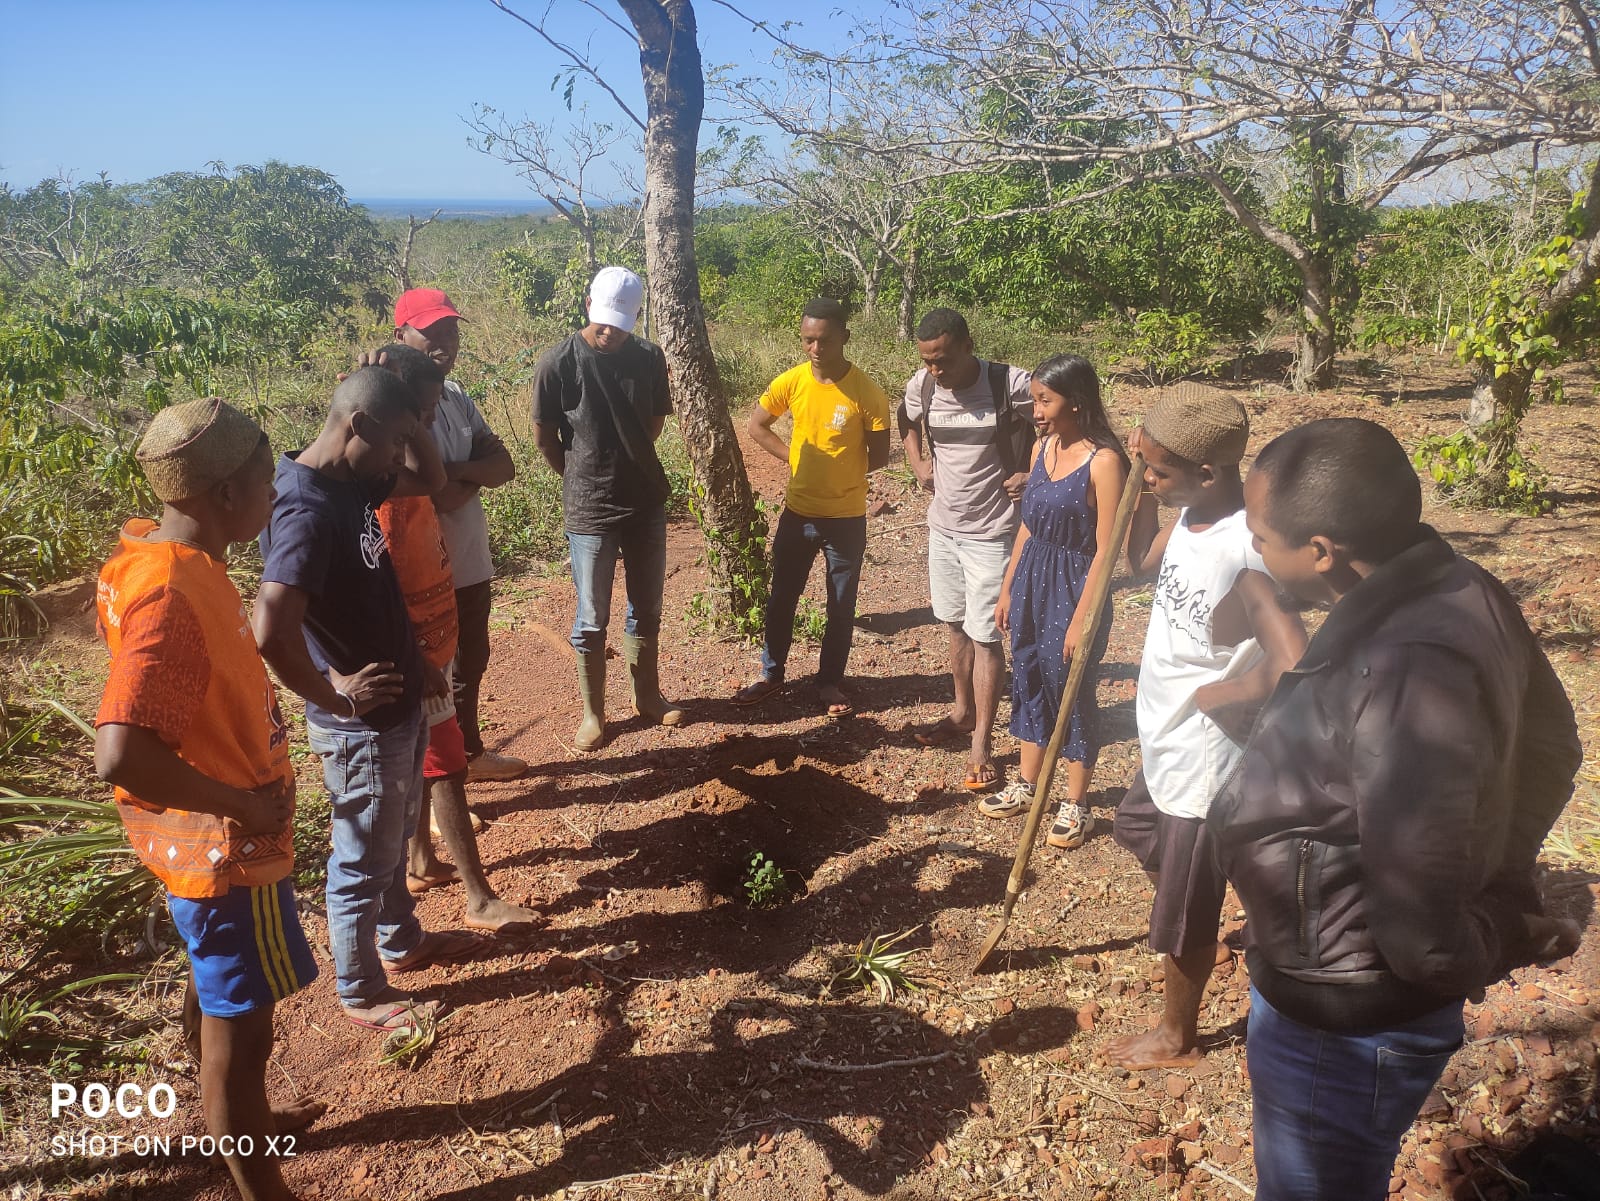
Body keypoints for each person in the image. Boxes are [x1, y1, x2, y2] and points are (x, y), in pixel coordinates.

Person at [1211, 417, 1581, 1201]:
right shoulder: (1460, 584)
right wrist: (1492, 864)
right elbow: (1553, 746)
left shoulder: (1402, 663)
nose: (1253, 552)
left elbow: (1421, 936)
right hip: (1336, 975)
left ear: (1321, 552)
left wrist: (1498, 917)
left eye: (1261, 536)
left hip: (1344, 1015)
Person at [94, 398, 321, 1201]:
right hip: (226, 854)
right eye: (267, 482)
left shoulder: (160, 561)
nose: (274, 496)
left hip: (203, 847)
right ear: (225, 495)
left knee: (219, 1005)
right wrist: (242, 805)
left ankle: (244, 1120)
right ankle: (258, 1171)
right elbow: (120, 751)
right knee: (245, 1033)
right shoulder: (171, 597)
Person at [255, 367, 478, 1032]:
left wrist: (413, 426)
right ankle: (360, 989)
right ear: (357, 427)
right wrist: (335, 695)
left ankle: (401, 940)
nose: (396, 463)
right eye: (391, 444)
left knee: (388, 835)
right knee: (361, 860)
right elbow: (270, 628)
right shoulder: (305, 508)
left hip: (399, 699)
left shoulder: (349, 477)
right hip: (359, 723)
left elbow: (431, 483)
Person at [1104, 389, 1306, 1069]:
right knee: (1134, 828)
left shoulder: (1247, 549)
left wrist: (1223, 693)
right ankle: (1230, 878)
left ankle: (1177, 1035)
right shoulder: (1187, 515)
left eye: (1160, 471)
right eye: (1147, 465)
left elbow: (1293, 660)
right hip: (1163, 732)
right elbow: (1136, 562)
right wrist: (1140, 488)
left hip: (1204, 749)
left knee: (1183, 910)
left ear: (1211, 473)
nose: (1150, 477)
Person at [374, 345, 544, 933]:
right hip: (414, 644)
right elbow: (440, 486)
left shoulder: (391, 466)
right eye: (418, 415)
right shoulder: (379, 483)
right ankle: (478, 898)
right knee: (443, 757)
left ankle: (422, 857)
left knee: (428, 748)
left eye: (430, 413)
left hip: (433, 625)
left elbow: (447, 481)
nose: (428, 425)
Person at [532, 265, 682, 752]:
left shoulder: (648, 357)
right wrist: (581, 476)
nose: (609, 331)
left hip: (645, 501)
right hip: (590, 508)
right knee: (591, 616)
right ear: (588, 307)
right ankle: (594, 714)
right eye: (602, 321)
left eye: (620, 323)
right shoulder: (557, 361)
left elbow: (656, 420)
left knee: (647, 608)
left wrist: (628, 462)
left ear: (635, 318)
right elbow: (545, 438)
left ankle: (648, 698)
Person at [981, 356, 1128, 849]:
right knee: (1026, 674)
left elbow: (1107, 549)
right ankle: (1027, 783)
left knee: (1070, 687)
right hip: (1030, 578)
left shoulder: (1105, 462)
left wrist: (1082, 619)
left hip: (1075, 583)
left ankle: (1076, 803)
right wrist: (1006, 589)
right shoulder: (1042, 448)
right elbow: (1027, 523)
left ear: (1077, 403)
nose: (1036, 410)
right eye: (1035, 399)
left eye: (1046, 400)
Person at [734, 298, 891, 716]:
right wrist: (793, 458)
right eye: (808, 340)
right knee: (782, 596)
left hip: (846, 520)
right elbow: (757, 425)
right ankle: (771, 674)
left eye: (824, 340)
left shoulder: (868, 393)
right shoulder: (792, 381)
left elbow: (879, 455)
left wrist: (843, 474)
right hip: (798, 514)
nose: (816, 349)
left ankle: (830, 683)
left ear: (845, 337)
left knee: (840, 604)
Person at [899, 308, 1035, 791]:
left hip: (993, 532)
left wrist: (1032, 473)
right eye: (928, 360)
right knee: (954, 623)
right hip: (944, 528)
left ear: (967, 345)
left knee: (986, 636)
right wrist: (918, 465)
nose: (936, 370)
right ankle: (961, 711)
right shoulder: (924, 385)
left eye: (944, 360)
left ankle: (982, 740)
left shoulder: (1009, 384)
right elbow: (907, 420)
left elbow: (1059, 414)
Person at [394, 287, 526, 782]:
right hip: (421, 571)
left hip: (468, 559)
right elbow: (438, 494)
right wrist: (466, 475)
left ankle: (469, 756)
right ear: (400, 334)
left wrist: (458, 472)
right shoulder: (394, 408)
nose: (444, 341)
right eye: (431, 331)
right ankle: (433, 788)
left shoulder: (454, 397)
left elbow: (505, 465)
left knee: (471, 660)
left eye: (450, 329)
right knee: (432, 678)